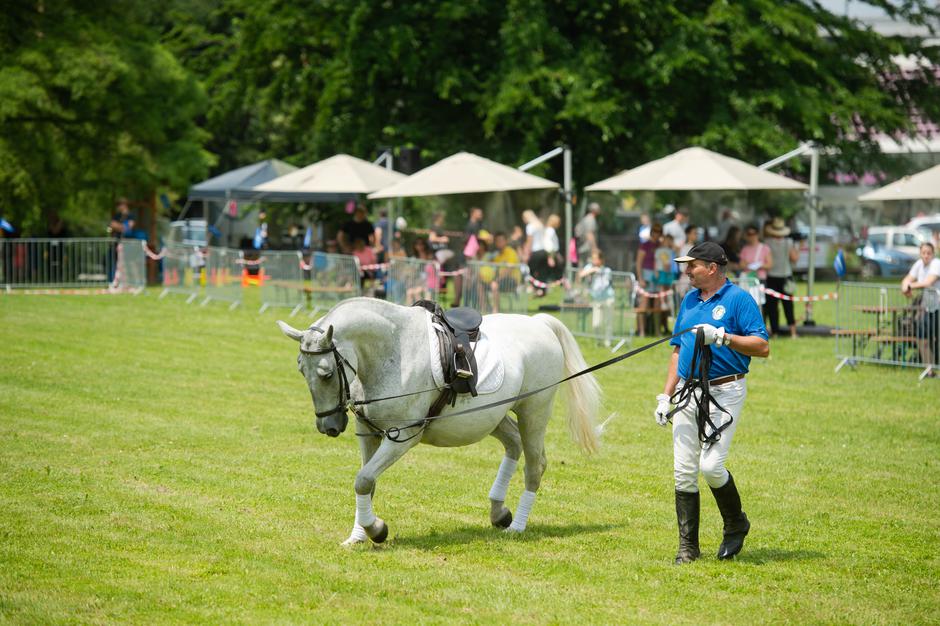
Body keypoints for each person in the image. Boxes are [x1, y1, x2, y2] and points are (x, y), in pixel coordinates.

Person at [655, 241, 770, 564]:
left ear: (712, 268)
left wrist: (723, 337)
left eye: (692, 265)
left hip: (725, 391)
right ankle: (688, 547)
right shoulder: (689, 300)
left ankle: (736, 522)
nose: (686, 271)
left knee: (711, 466)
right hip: (687, 391)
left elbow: (762, 346)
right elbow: (677, 349)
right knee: (683, 471)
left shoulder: (738, 300)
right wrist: (666, 394)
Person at [901, 242, 940, 376]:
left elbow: (928, 282)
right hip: (927, 308)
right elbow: (907, 279)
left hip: (938, 308)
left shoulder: (936, 264)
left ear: (933, 254)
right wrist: (905, 286)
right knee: (922, 338)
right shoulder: (918, 264)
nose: (926, 256)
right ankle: (929, 370)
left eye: (929, 253)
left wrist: (910, 286)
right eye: (923, 253)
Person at [763, 217, 800, 338]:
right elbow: (794, 259)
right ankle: (793, 332)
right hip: (786, 277)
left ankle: (775, 332)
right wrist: (798, 247)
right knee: (788, 305)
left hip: (771, 277)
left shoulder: (766, 242)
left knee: (772, 306)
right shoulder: (789, 242)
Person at [578, 249, 615, 347]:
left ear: (601, 259)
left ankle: (608, 342)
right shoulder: (589, 267)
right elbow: (581, 274)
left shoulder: (607, 270)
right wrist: (592, 270)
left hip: (608, 298)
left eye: (596, 258)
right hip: (596, 299)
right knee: (596, 323)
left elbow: (605, 284)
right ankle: (599, 341)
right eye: (592, 258)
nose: (593, 260)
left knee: (608, 321)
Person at [738, 225, 772, 307]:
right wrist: (749, 265)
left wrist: (759, 265)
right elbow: (741, 265)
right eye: (749, 234)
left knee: (760, 305)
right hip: (748, 279)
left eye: (753, 233)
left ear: (757, 234)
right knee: (747, 304)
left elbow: (769, 264)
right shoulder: (745, 249)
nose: (751, 236)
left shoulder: (764, 248)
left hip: (759, 279)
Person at [655, 233, 677, 334]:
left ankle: (668, 301)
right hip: (662, 271)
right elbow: (658, 262)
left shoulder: (671, 251)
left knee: (668, 288)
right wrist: (656, 271)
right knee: (662, 287)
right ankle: (663, 301)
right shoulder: (660, 250)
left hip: (669, 273)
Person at [543, 214, 563, 281]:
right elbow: (548, 243)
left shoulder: (549, 230)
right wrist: (550, 257)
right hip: (552, 253)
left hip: (552, 252)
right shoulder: (550, 230)